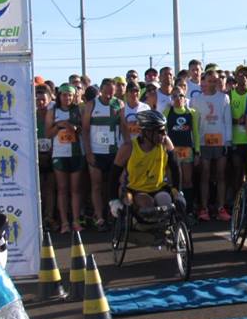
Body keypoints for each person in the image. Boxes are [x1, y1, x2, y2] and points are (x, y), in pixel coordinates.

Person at [108, 110, 184, 218]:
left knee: (167, 203)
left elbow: (175, 167)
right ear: (147, 132)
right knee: (147, 205)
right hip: (135, 190)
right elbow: (114, 175)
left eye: (164, 130)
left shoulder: (165, 142)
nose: (164, 134)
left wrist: (178, 192)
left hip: (158, 188)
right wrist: (113, 200)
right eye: (160, 131)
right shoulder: (128, 148)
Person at [81, 78, 123, 230]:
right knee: (96, 185)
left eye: (112, 93)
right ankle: (99, 217)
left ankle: (114, 215)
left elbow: (124, 128)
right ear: (101, 91)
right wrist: (88, 152)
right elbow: (85, 130)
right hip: (96, 151)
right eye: (107, 93)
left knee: (115, 184)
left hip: (114, 151)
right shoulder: (92, 105)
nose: (109, 96)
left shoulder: (119, 104)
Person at [192, 70, 232, 221]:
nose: (212, 84)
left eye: (215, 81)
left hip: (220, 142)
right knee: (205, 175)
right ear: (204, 82)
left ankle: (221, 208)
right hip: (203, 142)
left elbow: (227, 120)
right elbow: (195, 123)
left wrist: (228, 141)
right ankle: (204, 208)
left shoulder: (224, 98)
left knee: (221, 175)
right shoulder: (196, 99)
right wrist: (196, 144)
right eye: (209, 81)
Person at [46, 83, 84, 233]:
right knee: (62, 189)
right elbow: (48, 134)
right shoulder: (53, 111)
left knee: (75, 190)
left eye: (70, 95)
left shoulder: (79, 109)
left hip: (76, 153)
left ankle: (75, 221)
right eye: (64, 95)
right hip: (60, 154)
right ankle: (64, 222)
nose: (67, 98)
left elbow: (85, 129)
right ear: (59, 96)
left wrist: (75, 128)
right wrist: (59, 125)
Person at [166, 88, 201, 214]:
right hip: (172, 151)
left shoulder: (191, 112)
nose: (178, 98)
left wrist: (197, 152)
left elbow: (196, 134)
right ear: (171, 98)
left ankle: (188, 211)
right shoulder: (167, 111)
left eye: (181, 95)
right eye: (175, 96)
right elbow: (163, 134)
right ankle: (172, 211)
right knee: (171, 182)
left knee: (187, 181)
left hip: (187, 150)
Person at [228, 66, 247, 198]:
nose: (243, 77)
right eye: (241, 75)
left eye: (246, 75)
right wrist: (236, 121)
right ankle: (237, 201)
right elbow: (224, 118)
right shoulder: (230, 94)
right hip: (236, 140)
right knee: (237, 172)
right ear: (236, 77)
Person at [35, 83, 56, 229]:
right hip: (36, 157)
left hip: (52, 155)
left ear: (49, 100)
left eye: (43, 99)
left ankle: (49, 217)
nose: (41, 103)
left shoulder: (54, 115)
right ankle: (39, 218)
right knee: (39, 188)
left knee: (50, 187)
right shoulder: (31, 118)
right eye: (38, 100)